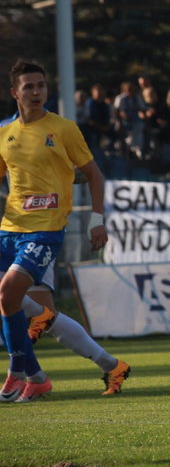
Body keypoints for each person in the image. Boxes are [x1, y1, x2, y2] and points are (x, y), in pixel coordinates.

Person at [0, 60, 111, 402]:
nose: (36, 92)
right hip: (9, 229)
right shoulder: (4, 131)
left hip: (46, 230)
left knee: (9, 295)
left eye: (41, 85)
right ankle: (40, 376)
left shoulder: (63, 129)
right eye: (29, 87)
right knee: (27, 310)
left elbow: (94, 175)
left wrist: (97, 221)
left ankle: (18, 372)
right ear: (14, 92)